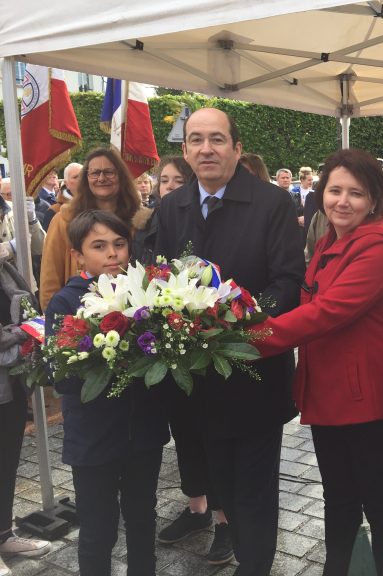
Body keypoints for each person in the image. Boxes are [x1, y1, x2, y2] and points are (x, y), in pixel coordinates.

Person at [252, 148, 383, 576]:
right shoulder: (331, 239)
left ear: (374, 200)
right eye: (335, 190)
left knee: (379, 505)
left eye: (356, 194)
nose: (342, 201)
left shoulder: (377, 246)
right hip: (332, 392)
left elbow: (328, 312)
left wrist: (250, 338)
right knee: (339, 499)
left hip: (372, 398)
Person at [154, 107, 304, 576]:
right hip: (198, 380)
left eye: (217, 139)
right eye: (196, 140)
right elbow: (155, 278)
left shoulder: (272, 204)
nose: (206, 149)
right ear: (185, 150)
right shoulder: (170, 207)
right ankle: (239, 544)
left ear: (237, 148)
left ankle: (256, 565)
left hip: (254, 372)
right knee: (219, 481)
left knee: (254, 485)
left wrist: (234, 326)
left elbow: (287, 281)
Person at [45, 210, 169, 576]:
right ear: (78, 255)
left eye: (119, 244)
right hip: (93, 438)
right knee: (98, 528)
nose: (112, 254)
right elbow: (62, 377)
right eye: (98, 246)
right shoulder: (66, 303)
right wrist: (103, 360)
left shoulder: (146, 295)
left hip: (143, 432)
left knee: (143, 518)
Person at [132, 155, 234, 564]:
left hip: (206, 342)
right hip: (167, 346)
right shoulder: (149, 225)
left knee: (213, 436)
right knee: (185, 432)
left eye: (178, 180)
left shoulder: (206, 220)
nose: (169, 187)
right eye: (164, 180)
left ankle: (226, 519)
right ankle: (198, 509)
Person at [39, 148, 151, 310]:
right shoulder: (64, 220)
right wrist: (55, 320)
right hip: (77, 317)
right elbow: (50, 278)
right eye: (95, 173)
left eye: (109, 172)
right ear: (86, 179)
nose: (101, 178)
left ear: (121, 176)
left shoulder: (140, 220)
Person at [0, 262, 51, 576]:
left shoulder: (4, 266)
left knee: (7, 463)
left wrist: (26, 334)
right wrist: (22, 338)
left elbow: (28, 308)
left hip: (11, 384)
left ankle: (4, 535)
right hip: (10, 368)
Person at [42, 163, 81, 231]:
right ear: (66, 183)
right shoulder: (54, 211)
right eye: (75, 177)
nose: (81, 180)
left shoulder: (99, 204)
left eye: (84, 176)